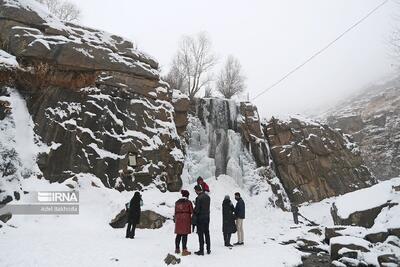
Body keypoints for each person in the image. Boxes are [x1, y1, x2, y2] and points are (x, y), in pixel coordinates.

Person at [174, 190, 193, 256]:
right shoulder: (188, 202)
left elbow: (175, 211)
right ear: (187, 196)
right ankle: (184, 250)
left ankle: (177, 249)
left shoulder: (177, 202)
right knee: (185, 235)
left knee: (178, 234)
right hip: (186, 219)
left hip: (178, 219)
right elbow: (191, 211)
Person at [193, 185, 211, 255]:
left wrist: (194, 209)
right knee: (207, 233)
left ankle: (201, 250)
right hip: (207, 217)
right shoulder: (208, 197)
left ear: (197, 190)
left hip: (200, 218)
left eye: (195, 191)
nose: (195, 192)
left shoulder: (198, 198)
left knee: (200, 234)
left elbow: (197, 210)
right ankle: (208, 249)